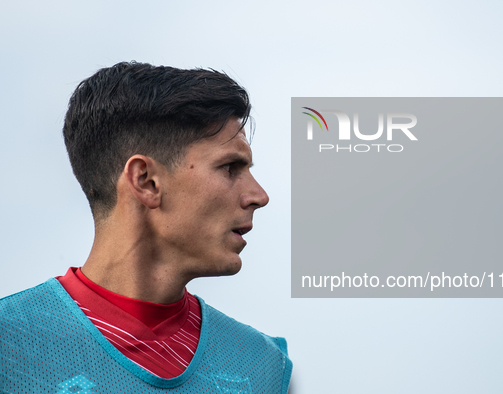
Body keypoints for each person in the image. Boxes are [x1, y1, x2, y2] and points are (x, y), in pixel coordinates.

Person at [0, 62, 292, 393]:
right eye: (229, 168)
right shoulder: (9, 346)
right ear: (146, 181)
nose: (259, 196)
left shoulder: (261, 365)